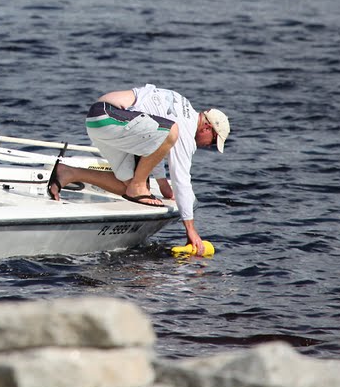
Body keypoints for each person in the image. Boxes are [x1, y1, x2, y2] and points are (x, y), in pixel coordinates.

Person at [47, 83, 231, 257]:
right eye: (214, 141)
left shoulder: (185, 111)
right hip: (107, 116)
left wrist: (162, 184)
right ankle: (137, 185)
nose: (209, 146)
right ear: (207, 127)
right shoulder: (186, 127)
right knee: (171, 132)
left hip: (100, 120)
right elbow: (181, 179)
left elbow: (153, 144)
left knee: (126, 187)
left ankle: (68, 173)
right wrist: (191, 230)